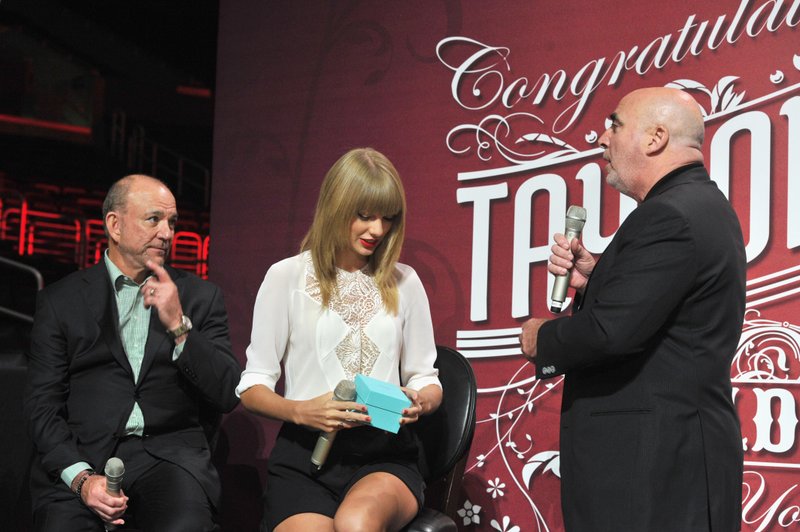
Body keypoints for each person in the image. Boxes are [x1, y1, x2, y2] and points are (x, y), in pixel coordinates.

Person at [519, 87, 746, 531]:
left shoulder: (670, 215)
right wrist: (595, 282)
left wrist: (540, 338)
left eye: (615, 124)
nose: (602, 138)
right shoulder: (697, 206)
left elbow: (611, 333)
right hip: (667, 461)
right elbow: (657, 316)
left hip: (655, 469)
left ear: (655, 137)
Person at [237, 147, 443, 532]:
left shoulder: (406, 282)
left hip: (386, 454)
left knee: (356, 524)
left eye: (387, 218)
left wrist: (421, 400)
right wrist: (302, 411)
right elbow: (252, 387)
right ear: (335, 206)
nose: (377, 230)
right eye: (364, 215)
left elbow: (426, 378)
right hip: (304, 456)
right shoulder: (286, 277)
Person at [24, 174, 241, 531]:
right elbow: (41, 406)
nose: (167, 233)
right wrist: (81, 480)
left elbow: (226, 391)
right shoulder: (61, 301)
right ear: (115, 224)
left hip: (168, 459)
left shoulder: (200, 297)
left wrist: (178, 325)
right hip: (85, 454)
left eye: (172, 223)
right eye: (153, 219)